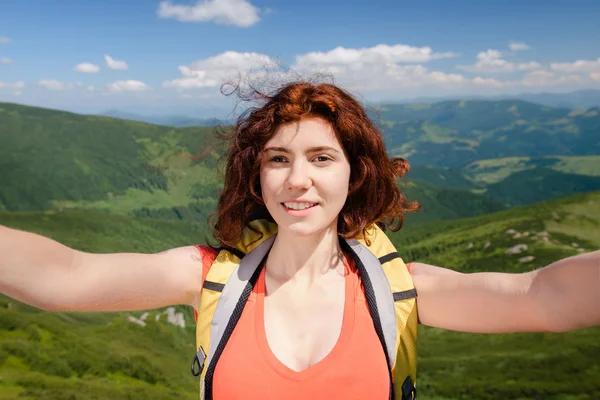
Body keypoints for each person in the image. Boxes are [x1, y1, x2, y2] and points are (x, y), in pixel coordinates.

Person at [1, 81, 599, 400]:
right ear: (256, 179)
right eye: (278, 159)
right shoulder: (209, 278)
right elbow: (66, 277)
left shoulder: (401, 290)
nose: (298, 179)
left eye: (320, 157)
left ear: (353, 173)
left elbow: (541, 297)